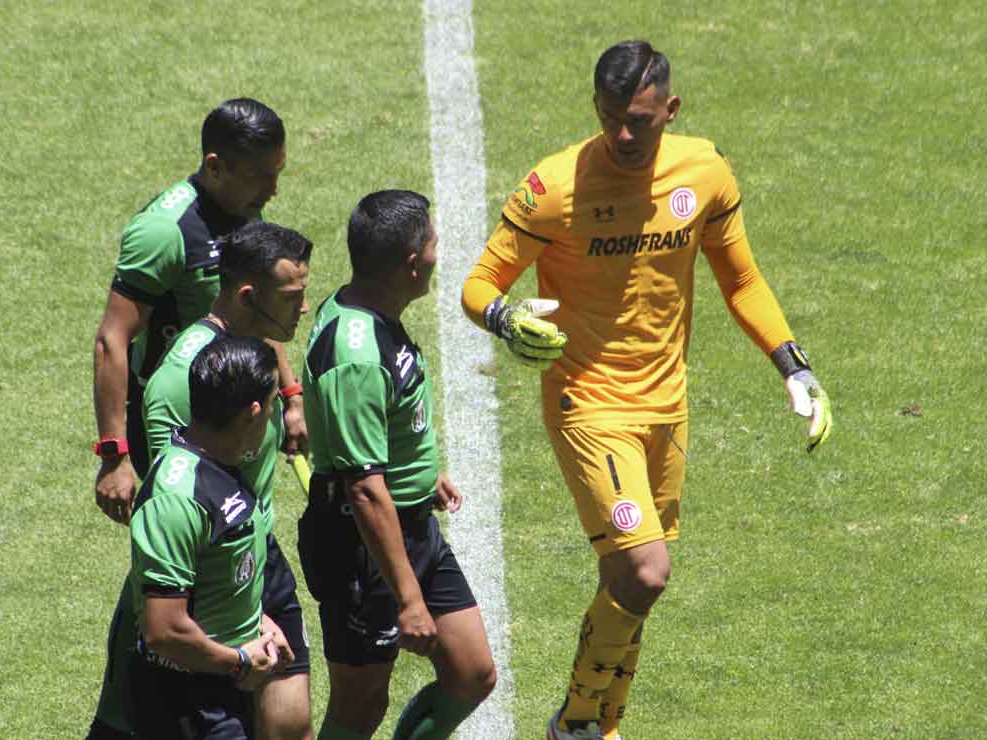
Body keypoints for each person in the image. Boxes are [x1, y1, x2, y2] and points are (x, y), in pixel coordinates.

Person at [460, 40, 833, 740]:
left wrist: (794, 364)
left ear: (670, 109)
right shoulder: (554, 186)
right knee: (647, 569)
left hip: (668, 407)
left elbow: (742, 280)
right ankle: (572, 724)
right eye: (609, 118)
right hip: (588, 403)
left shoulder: (705, 172)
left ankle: (605, 728)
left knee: (630, 585)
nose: (623, 136)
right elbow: (478, 285)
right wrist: (505, 319)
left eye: (638, 119)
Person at [88, 221, 314, 740]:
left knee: (291, 726)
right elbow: (181, 499)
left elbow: (270, 337)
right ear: (248, 295)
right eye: (292, 297)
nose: (302, 309)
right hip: (206, 573)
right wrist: (243, 611)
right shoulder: (178, 381)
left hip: (256, 547)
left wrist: (293, 397)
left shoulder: (257, 331)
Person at [299, 190, 496, 740]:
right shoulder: (357, 354)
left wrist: (418, 468)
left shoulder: (371, 310)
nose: (438, 253)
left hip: (411, 525)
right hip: (364, 547)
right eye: (433, 243)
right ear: (412, 262)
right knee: (360, 708)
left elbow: (378, 428)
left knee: (472, 672)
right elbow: (363, 489)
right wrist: (409, 599)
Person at [93, 97, 307, 526]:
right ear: (214, 167)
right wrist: (115, 454)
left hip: (240, 406)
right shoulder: (163, 232)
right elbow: (112, 340)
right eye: (260, 176)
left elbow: (255, 312)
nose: (272, 190)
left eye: (277, 173)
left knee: (237, 537)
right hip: (177, 416)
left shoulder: (246, 208)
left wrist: (289, 395)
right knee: (188, 539)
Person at [116, 336, 291, 739]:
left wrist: (258, 622)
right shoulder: (179, 497)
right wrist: (239, 662)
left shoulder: (220, 466)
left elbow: (214, 580)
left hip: (219, 686)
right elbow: (164, 630)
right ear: (253, 412)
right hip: (186, 702)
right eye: (273, 403)